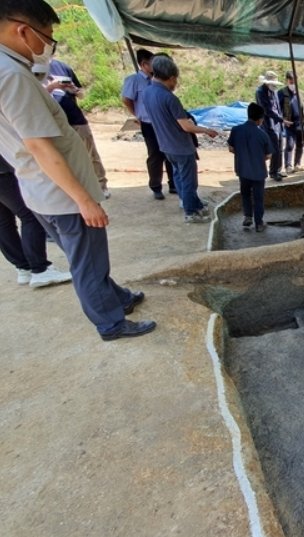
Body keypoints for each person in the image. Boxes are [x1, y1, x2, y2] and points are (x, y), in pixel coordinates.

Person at [0, 1, 155, 340]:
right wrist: (85, 200)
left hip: (39, 190)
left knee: (84, 255)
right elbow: (41, 146)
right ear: (22, 30)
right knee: (87, 261)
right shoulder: (11, 76)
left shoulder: (11, 70)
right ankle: (110, 322)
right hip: (61, 194)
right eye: (47, 37)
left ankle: (117, 297)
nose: (48, 47)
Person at [142, 54, 219, 223]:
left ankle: (191, 203)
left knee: (178, 176)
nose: (175, 84)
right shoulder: (170, 98)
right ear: (170, 78)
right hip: (181, 147)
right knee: (188, 180)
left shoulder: (147, 92)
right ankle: (191, 212)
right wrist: (207, 130)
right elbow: (186, 126)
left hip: (165, 145)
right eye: (175, 80)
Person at [0, 155, 71, 287]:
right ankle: (40, 269)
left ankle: (23, 268)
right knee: (30, 216)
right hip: (4, 172)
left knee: (3, 222)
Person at [47, 58, 110, 199]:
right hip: (53, 122)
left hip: (76, 119)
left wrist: (73, 90)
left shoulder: (62, 66)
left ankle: (101, 186)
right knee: (65, 157)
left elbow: (81, 93)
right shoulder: (30, 69)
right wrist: (52, 87)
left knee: (91, 154)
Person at [121, 48, 176, 200]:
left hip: (164, 122)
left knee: (169, 152)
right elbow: (126, 100)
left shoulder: (157, 79)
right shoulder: (134, 80)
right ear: (144, 64)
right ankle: (156, 187)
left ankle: (173, 184)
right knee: (155, 155)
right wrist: (137, 114)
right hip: (148, 123)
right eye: (153, 63)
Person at [227, 103, 271, 232]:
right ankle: (259, 223)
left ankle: (247, 216)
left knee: (245, 194)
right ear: (260, 119)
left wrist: (242, 154)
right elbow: (268, 155)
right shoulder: (263, 135)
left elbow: (231, 148)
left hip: (242, 170)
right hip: (258, 172)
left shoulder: (235, 130)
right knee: (258, 198)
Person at [255, 70, 285, 181]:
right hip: (268, 124)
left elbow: (277, 107)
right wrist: (281, 119)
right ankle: (272, 172)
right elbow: (267, 110)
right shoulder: (260, 92)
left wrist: (281, 121)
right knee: (274, 149)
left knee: (280, 147)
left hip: (277, 124)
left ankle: (277, 169)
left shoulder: (274, 91)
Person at [279, 71, 304, 174]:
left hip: (300, 124)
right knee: (289, 144)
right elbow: (278, 108)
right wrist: (282, 120)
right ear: (287, 80)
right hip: (289, 123)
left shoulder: (301, 93)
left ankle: (297, 164)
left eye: (294, 81)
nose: (293, 83)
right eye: (291, 80)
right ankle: (288, 165)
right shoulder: (282, 93)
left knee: (300, 144)